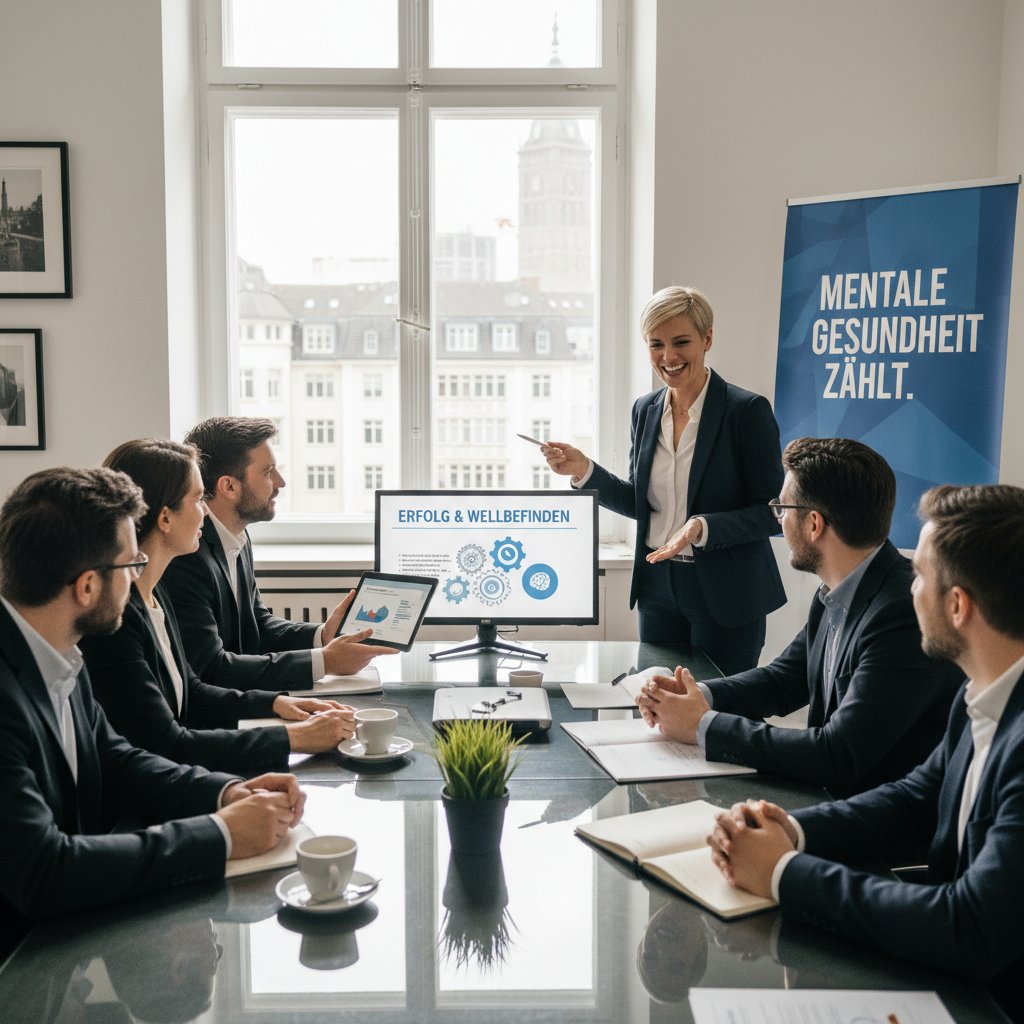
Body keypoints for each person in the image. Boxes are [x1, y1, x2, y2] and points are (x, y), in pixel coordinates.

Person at [706, 484, 1024, 1021]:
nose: (909, 587)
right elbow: (917, 799)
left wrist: (784, 873)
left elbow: (971, 927)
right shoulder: (984, 692)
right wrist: (792, 831)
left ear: (957, 605)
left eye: (920, 574)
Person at [0, 466, 306, 960]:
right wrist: (222, 834)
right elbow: (43, 870)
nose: (139, 572)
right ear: (86, 587)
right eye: (129, 565)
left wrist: (226, 791)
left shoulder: (58, 650)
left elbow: (116, 759)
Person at [637, 438, 962, 797]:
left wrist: (703, 725)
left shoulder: (903, 612)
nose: (778, 518)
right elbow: (784, 680)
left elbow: (837, 753)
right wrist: (696, 694)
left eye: (782, 507)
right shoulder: (837, 590)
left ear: (813, 524)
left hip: (879, 830)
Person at [79, 439, 357, 775]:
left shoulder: (154, 593)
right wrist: (293, 738)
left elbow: (192, 689)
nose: (206, 510)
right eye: (198, 500)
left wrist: (275, 703)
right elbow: (167, 743)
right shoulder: (115, 622)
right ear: (165, 518)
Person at [544, 286, 785, 674]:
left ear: (707, 339)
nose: (668, 357)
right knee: (656, 713)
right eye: (656, 344)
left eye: (681, 342)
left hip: (726, 594)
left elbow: (773, 512)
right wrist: (583, 470)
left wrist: (703, 527)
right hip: (657, 590)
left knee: (716, 714)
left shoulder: (747, 411)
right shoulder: (645, 410)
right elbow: (642, 503)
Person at [161, 416, 395, 691]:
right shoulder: (187, 556)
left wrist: (323, 635)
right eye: (268, 471)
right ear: (229, 487)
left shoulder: (237, 534)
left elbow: (258, 625)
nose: (281, 482)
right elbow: (213, 669)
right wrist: (324, 662)